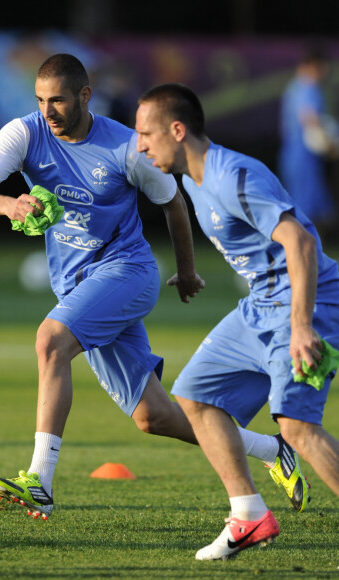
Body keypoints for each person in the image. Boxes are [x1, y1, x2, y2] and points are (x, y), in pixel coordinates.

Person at [0, 54, 308, 521]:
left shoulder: (126, 147)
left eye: (58, 100)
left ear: (85, 95)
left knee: (50, 340)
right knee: (153, 418)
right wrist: (10, 206)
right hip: (78, 287)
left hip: (129, 272)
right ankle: (272, 449)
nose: (48, 111)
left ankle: (39, 479)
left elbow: (173, 204)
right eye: (40, 100)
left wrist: (186, 271)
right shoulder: (24, 133)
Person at [136, 82, 339, 560]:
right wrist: (188, 273)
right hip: (259, 306)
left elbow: (302, 244)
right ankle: (248, 514)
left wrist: (302, 325)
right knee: (194, 397)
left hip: (305, 302)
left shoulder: (234, 176)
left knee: (297, 428)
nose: (140, 144)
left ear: (177, 130)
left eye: (146, 133)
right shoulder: (190, 179)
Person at [278, 45, 338, 239]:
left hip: (291, 155)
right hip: (304, 157)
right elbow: (309, 118)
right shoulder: (309, 88)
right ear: (315, 65)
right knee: (309, 213)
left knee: (301, 209)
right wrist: (331, 145)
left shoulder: (293, 87)